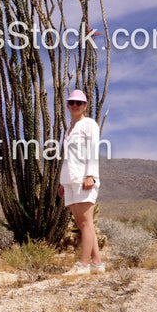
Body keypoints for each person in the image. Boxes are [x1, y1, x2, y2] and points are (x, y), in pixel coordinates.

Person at [58, 89, 105, 275]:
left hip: (84, 178)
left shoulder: (89, 124)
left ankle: (83, 265)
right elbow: (68, 156)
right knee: (80, 222)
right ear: (68, 105)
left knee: (86, 223)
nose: (75, 105)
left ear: (85, 105)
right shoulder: (69, 128)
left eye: (79, 102)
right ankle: (97, 263)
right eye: (71, 102)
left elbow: (93, 150)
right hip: (70, 179)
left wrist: (90, 175)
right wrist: (63, 182)